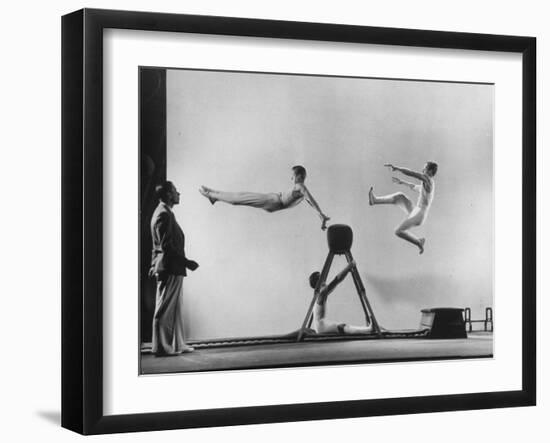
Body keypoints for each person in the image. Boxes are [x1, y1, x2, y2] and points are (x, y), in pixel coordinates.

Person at [149, 181, 199, 356]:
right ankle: (162, 347)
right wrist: (187, 262)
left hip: (170, 267)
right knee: (165, 308)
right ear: (169, 194)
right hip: (170, 267)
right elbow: (167, 247)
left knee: (175, 307)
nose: (179, 194)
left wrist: (152, 264)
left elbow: (156, 245)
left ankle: (178, 343)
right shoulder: (164, 214)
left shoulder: (164, 213)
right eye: (176, 191)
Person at [199, 165, 331, 230]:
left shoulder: (300, 186)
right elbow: (310, 202)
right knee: (240, 197)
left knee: (239, 198)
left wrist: (320, 214)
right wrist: (320, 215)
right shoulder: (300, 189)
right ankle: (214, 194)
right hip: (273, 201)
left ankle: (213, 194)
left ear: (299, 176)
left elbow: (311, 199)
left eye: (293, 176)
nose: (291, 178)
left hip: (273, 201)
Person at [368, 162, 438, 254]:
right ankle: (375, 200)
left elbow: (412, 173)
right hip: (416, 211)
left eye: (425, 168)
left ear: (430, 171)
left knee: (398, 231)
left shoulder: (428, 180)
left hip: (420, 214)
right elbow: (414, 187)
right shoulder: (427, 184)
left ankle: (418, 242)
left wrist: (397, 168)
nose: (422, 170)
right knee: (400, 197)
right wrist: (402, 182)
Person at [309, 266, 373, 335]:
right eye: (320, 277)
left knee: (342, 326)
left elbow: (335, 282)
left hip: (320, 325)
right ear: (317, 282)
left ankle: (366, 329)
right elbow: (336, 280)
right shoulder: (321, 294)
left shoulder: (319, 294)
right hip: (321, 327)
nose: (324, 279)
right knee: (341, 327)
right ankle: (368, 330)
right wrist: (348, 267)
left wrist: (347, 270)